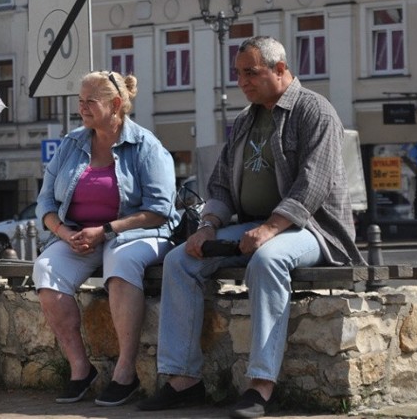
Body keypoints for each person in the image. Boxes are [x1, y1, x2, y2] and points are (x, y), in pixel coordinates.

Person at [137, 36, 365, 418]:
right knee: (180, 261)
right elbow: (223, 184)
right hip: (254, 226)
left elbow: (314, 183)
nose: (241, 82)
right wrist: (208, 226)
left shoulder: (315, 111)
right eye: (238, 73)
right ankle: (183, 382)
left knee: (267, 260)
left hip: (311, 229)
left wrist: (272, 228)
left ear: (279, 69)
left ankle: (260, 386)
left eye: (250, 73)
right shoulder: (245, 119)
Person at [32, 70, 179, 407]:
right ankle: (80, 370)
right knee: (46, 270)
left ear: (115, 105)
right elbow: (45, 202)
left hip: (133, 233)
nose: (82, 108)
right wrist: (64, 232)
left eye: (89, 102)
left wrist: (107, 230)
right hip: (80, 235)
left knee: (121, 261)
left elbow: (160, 209)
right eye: (79, 101)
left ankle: (125, 373)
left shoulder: (146, 146)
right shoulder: (71, 144)